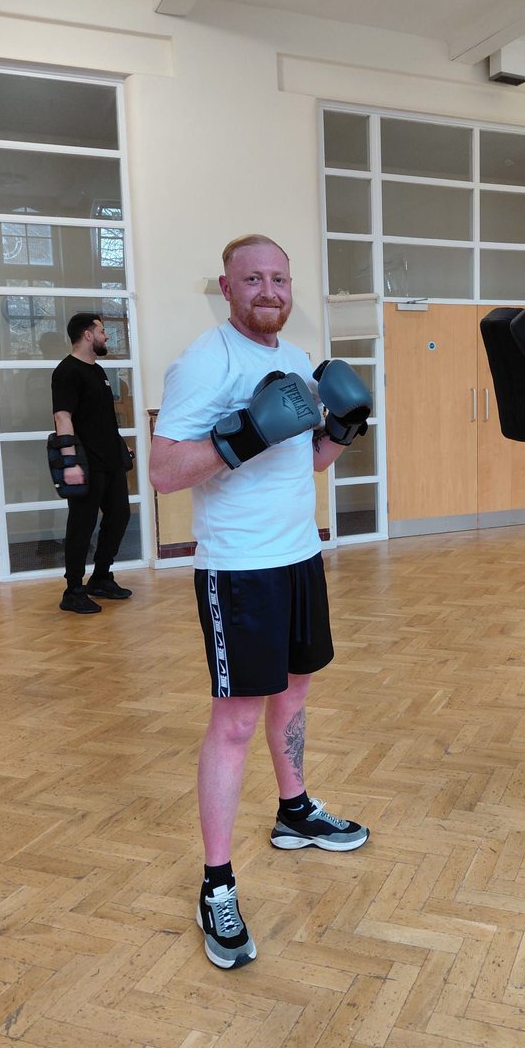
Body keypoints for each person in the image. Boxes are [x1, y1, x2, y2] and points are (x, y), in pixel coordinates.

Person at [149, 233, 371, 970]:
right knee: (237, 720)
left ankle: (295, 810)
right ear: (226, 286)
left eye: (279, 278)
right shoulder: (205, 362)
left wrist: (342, 429)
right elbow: (164, 472)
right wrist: (239, 435)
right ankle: (216, 882)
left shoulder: (292, 359)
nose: (269, 290)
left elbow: (303, 461)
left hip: (299, 554)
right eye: (253, 279)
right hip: (239, 569)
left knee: (296, 690)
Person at [51, 313, 133, 614]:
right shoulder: (66, 372)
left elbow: (101, 417)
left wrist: (120, 445)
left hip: (110, 461)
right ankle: (73, 590)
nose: (106, 337)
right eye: (102, 331)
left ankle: (100, 578)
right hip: (85, 465)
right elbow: (62, 417)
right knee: (81, 526)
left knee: (120, 517)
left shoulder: (97, 371)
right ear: (88, 335)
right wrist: (69, 461)